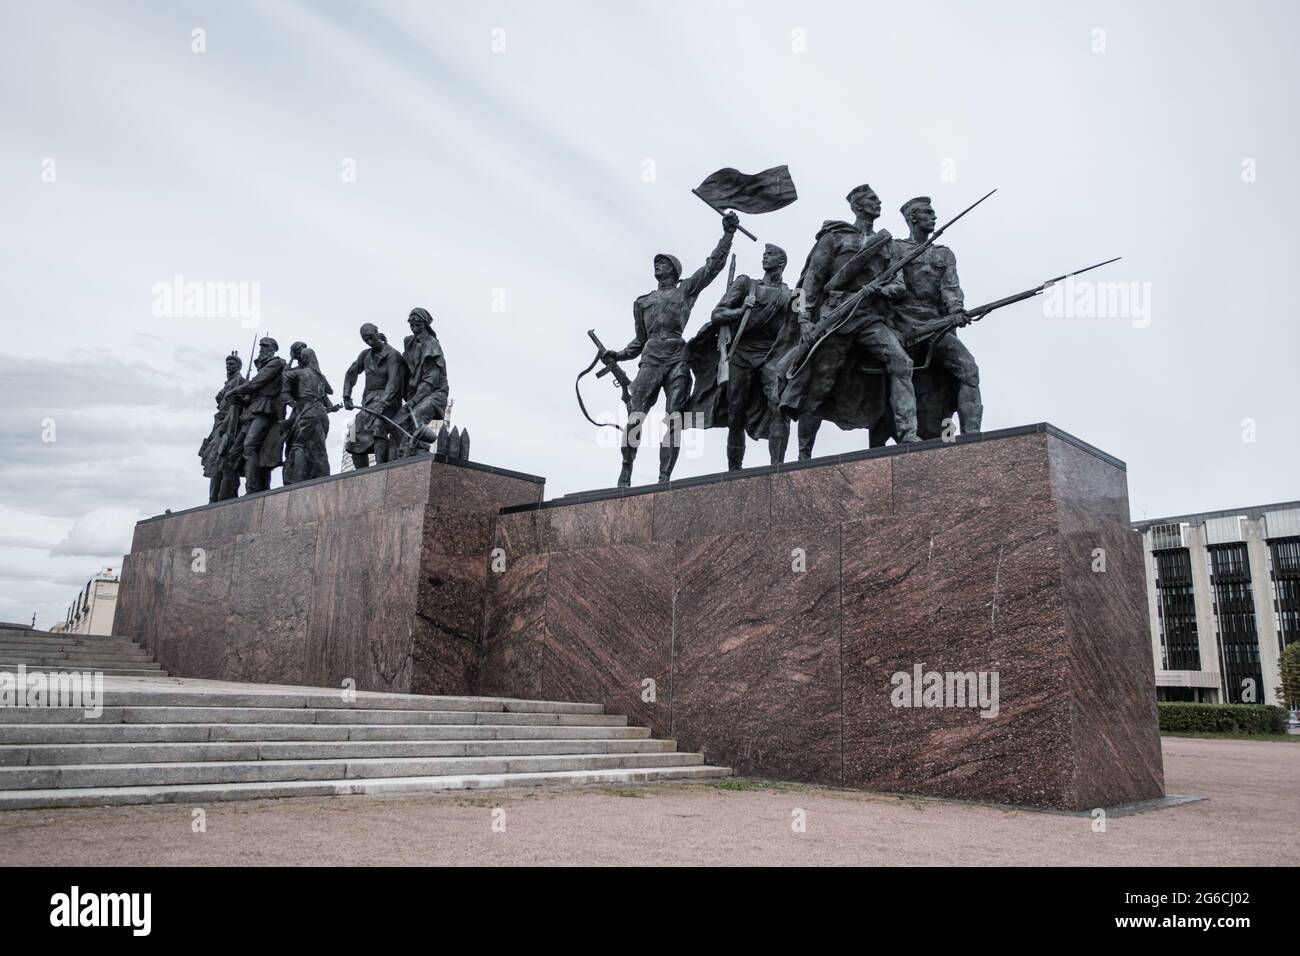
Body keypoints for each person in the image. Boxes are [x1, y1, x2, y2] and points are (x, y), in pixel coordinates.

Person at [604, 211, 738, 486]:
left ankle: (664, 476)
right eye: (656, 262)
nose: (657, 264)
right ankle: (626, 469)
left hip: (678, 356)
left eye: (662, 262)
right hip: (651, 357)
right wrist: (617, 354)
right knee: (635, 415)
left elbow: (712, 267)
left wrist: (727, 234)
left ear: (674, 270)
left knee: (674, 418)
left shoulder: (685, 290)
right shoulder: (642, 302)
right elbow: (639, 341)